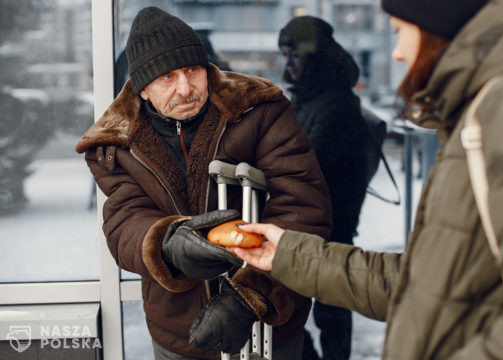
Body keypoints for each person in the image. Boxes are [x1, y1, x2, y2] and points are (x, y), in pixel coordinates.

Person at [233, 0, 503, 359]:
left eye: (401, 29)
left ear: (439, 28)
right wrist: (286, 254)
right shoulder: (486, 114)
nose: (397, 52)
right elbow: (423, 281)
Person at [75, 6, 331, 359]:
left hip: (268, 324)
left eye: (193, 70)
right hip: (179, 331)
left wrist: (252, 296)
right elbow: (123, 221)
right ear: (143, 89)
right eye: (168, 77)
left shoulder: (260, 110)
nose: (186, 87)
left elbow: (304, 207)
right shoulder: (118, 143)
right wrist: (166, 242)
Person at [277, 15, 370, 360]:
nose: (288, 63)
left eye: (295, 55)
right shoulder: (311, 96)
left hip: (332, 221)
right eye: (285, 55)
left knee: (329, 311)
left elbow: (306, 166)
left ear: (315, 58)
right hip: (319, 218)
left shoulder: (334, 103)